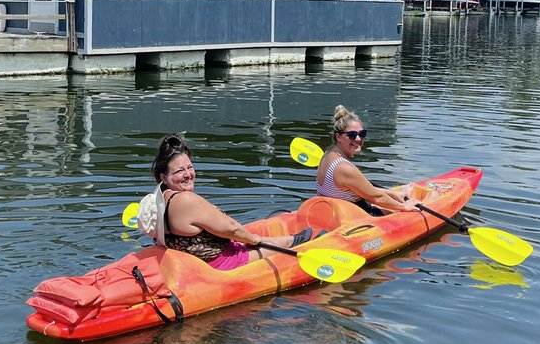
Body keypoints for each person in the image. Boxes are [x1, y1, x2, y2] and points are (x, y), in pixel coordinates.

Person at [151, 134, 311, 270]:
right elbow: (232, 229)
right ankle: (299, 242)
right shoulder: (185, 199)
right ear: (164, 177)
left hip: (198, 263)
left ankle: (291, 239)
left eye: (190, 167)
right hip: (223, 263)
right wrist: (253, 240)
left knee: (270, 240)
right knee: (291, 244)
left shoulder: (161, 199)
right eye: (179, 171)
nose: (188, 174)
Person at [316, 105, 418, 216]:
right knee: (410, 209)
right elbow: (376, 197)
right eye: (352, 135)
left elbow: (363, 189)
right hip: (356, 218)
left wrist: (394, 194)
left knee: (392, 201)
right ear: (338, 137)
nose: (358, 139)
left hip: (334, 214)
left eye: (362, 134)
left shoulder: (327, 155)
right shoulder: (344, 167)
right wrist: (404, 206)